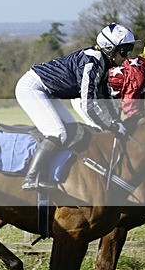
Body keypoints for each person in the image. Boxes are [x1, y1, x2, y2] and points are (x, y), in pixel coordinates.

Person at [15, 23, 136, 190]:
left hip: (48, 92)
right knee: (58, 133)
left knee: (74, 131)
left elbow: (105, 98)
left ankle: (56, 174)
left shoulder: (103, 63)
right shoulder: (91, 62)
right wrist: (110, 126)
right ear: (110, 48)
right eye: (124, 52)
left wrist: (117, 120)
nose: (126, 57)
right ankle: (31, 177)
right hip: (32, 88)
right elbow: (87, 105)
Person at [71, 32, 145, 123]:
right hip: (87, 98)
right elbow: (129, 104)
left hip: (102, 100)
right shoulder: (140, 73)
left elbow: (138, 104)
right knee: (110, 133)